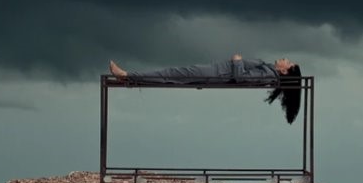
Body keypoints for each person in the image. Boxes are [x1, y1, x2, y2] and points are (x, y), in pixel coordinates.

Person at [109, 55, 303, 124]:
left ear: (285, 71)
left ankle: (127, 76)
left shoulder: (268, 75)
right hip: (216, 71)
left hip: (216, 73)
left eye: (288, 61)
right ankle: (129, 79)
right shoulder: (269, 70)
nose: (284, 58)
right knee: (172, 75)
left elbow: (241, 78)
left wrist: (237, 62)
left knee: (172, 74)